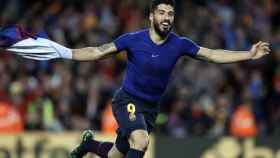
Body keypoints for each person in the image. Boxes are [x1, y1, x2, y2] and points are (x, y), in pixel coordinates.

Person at [0, 0, 271, 158]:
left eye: (171, 14)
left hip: (150, 110)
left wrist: (247, 54)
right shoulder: (132, 40)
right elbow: (97, 51)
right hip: (127, 101)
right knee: (140, 142)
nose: (167, 18)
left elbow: (212, 54)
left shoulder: (180, 44)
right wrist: (68, 53)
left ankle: (89, 144)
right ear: (151, 15)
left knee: (117, 154)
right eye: (162, 12)